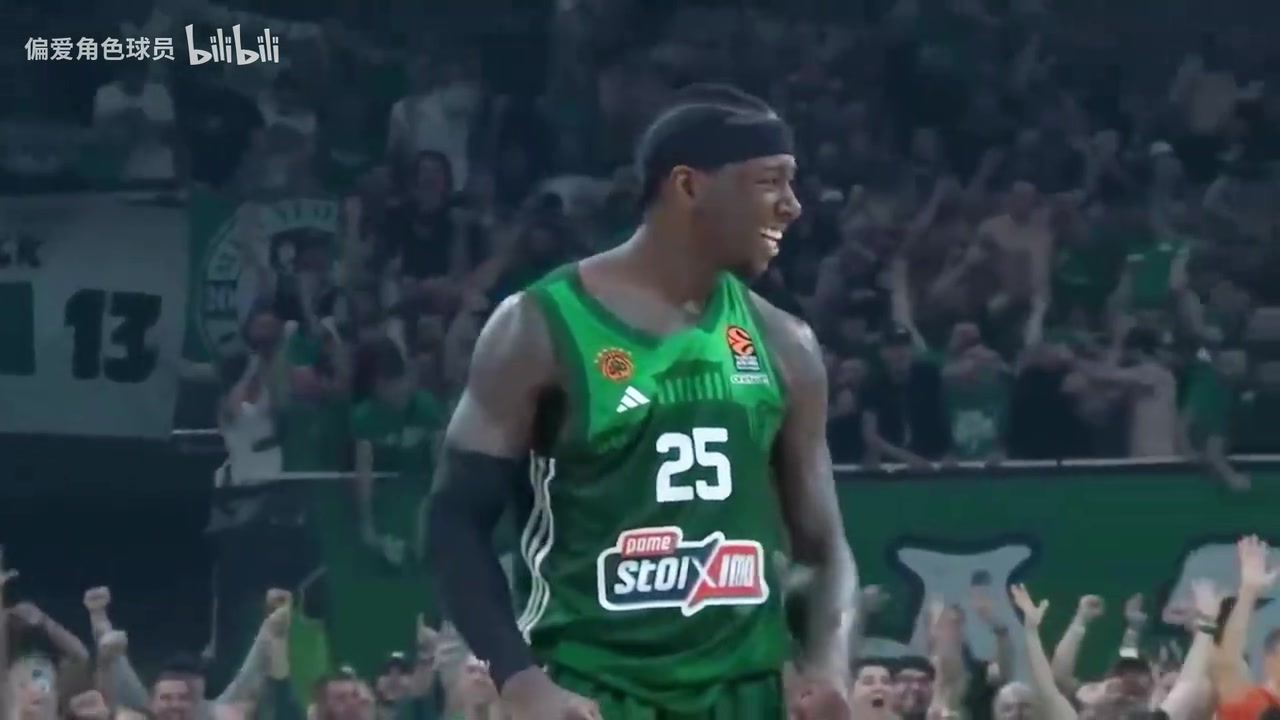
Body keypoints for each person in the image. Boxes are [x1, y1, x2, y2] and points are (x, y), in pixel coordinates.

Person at [427, 83, 857, 720]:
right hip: (594, 692)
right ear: (689, 186)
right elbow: (454, 522)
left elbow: (822, 550)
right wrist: (519, 681)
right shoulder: (539, 326)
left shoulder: (785, 344)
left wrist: (828, 667)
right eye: (769, 182)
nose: (792, 206)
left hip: (746, 697)